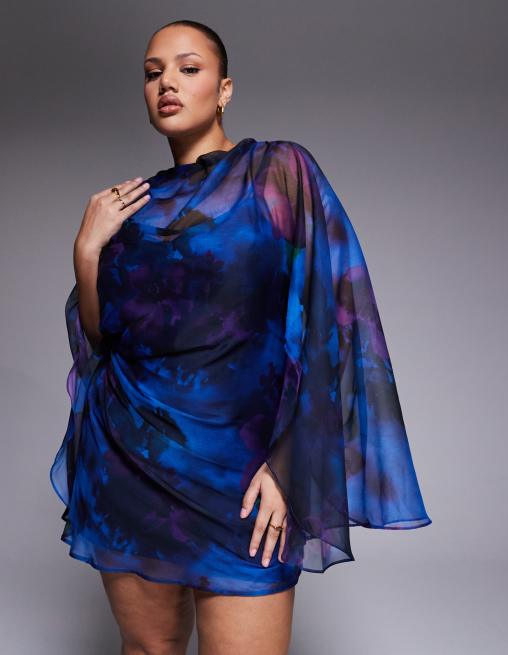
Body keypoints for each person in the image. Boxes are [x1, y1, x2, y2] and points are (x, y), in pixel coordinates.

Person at [49, 18, 432, 655]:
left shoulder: (277, 172)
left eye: (188, 68)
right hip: (128, 464)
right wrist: (87, 251)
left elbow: (331, 326)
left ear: (224, 89)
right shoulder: (127, 209)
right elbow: (103, 341)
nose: (167, 83)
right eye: (153, 73)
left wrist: (291, 465)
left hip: (243, 474)